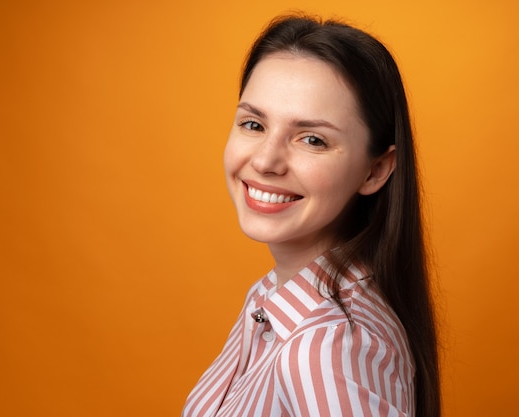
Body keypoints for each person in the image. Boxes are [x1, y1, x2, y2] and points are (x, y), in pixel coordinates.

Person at [183, 14, 440, 417]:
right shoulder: (269, 298)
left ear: (375, 170)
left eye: (313, 139)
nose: (266, 160)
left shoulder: (324, 347)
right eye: (253, 124)